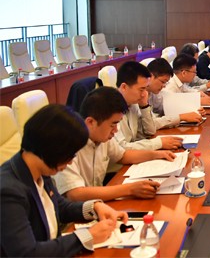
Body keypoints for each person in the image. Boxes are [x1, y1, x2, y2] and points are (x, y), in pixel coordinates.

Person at [0, 104, 127, 257]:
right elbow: (27, 253)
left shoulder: (39, 167)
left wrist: (94, 207)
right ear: (52, 149)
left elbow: (58, 206)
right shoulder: (8, 191)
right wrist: (87, 237)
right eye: (70, 155)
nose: (71, 161)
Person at [53, 87, 176, 201]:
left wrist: (156, 155)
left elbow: (123, 156)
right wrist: (130, 189)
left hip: (97, 203)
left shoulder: (102, 137)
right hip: (75, 212)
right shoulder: (69, 144)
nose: (116, 130)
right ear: (91, 122)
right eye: (113, 124)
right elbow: (75, 194)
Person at [114, 61, 183, 151]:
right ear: (124, 87)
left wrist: (144, 106)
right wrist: (159, 143)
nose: (144, 94)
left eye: (145, 89)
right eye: (141, 89)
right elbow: (121, 148)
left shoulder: (134, 103)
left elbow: (150, 130)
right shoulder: (109, 107)